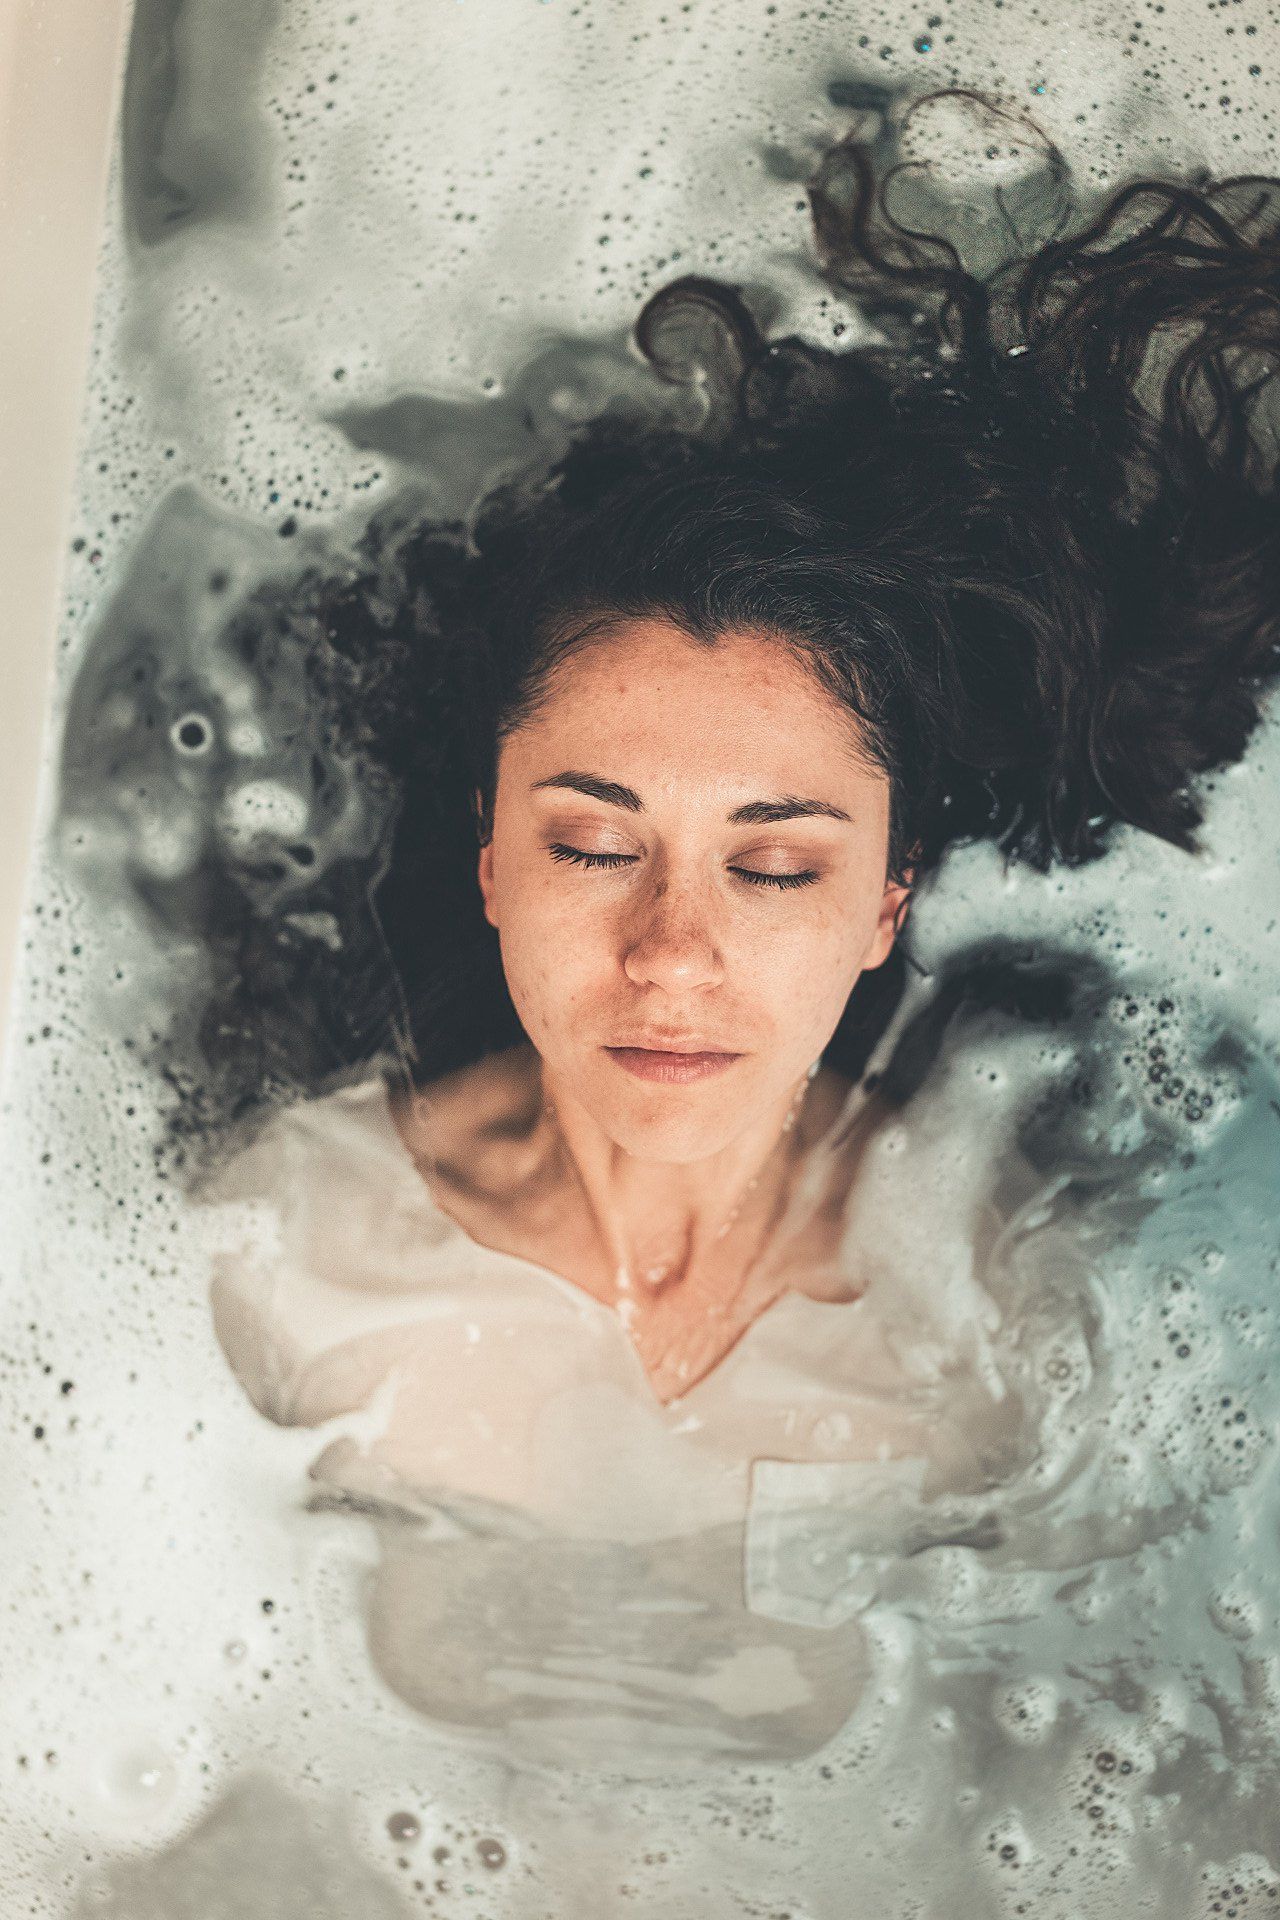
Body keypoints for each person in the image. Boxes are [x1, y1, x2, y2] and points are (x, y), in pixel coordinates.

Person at [194, 94, 1280, 1768]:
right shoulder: (282, 1251)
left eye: (774, 868)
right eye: (590, 843)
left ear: (883, 909)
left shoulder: (994, 1323)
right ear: (489, 864)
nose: (672, 954)